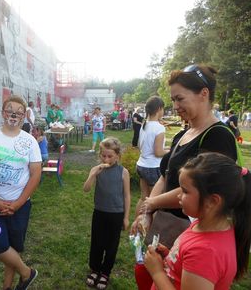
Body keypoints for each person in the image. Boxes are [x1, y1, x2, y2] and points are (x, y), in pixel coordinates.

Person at [131, 64, 238, 289]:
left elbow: (196, 187)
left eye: (180, 99)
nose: (175, 106)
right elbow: (165, 175)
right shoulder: (183, 133)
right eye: (172, 100)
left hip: (185, 225)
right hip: (165, 222)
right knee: (146, 272)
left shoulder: (218, 136)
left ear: (204, 94)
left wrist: (150, 203)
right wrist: (148, 211)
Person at [145, 152, 251, 289]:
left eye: (185, 191)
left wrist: (157, 272)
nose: (178, 195)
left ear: (213, 201)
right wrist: (170, 256)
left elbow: (198, 260)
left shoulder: (205, 253)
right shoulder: (203, 223)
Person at [0, 95, 42, 290]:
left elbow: (35, 173)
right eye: (10, 110)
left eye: (19, 111)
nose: (14, 114)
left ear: (24, 116)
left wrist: (18, 203)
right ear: (3, 113)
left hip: (19, 205)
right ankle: (27, 273)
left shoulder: (29, 141)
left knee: (13, 247)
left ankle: (7, 287)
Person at [83, 137, 130, 290]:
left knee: (111, 245)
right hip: (100, 212)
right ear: (100, 155)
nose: (106, 159)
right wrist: (93, 174)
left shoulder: (123, 172)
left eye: (110, 156)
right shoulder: (96, 169)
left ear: (117, 156)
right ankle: (95, 269)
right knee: (97, 242)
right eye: (103, 155)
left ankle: (105, 272)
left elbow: (127, 196)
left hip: (116, 214)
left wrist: (126, 217)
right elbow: (86, 189)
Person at [135, 96, 168, 216]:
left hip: (141, 165)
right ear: (159, 109)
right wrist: (171, 151)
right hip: (153, 167)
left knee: (144, 197)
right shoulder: (159, 127)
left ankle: (136, 230)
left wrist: (166, 149)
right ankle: (147, 229)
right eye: (163, 109)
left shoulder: (144, 124)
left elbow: (140, 146)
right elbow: (158, 153)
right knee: (154, 202)